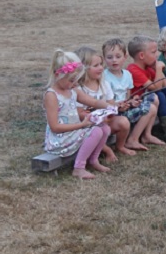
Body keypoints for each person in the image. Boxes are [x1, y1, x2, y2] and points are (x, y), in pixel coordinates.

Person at [42, 49, 115, 180]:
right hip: (60, 140)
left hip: (74, 132)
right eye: (72, 80)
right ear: (58, 75)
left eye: (77, 80)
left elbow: (92, 101)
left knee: (105, 128)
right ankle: (79, 168)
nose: (75, 84)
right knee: (96, 131)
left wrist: (109, 107)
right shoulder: (52, 96)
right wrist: (81, 125)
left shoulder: (73, 89)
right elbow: (55, 127)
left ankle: (93, 160)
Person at [75, 46, 135, 160]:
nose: (101, 68)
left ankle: (120, 146)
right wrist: (99, 118)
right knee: (97, 130)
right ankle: (107, 150)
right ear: (83, 68)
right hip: (86, 125)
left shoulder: (104, 84)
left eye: (101, 64)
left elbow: (111, 105)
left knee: (123, 122)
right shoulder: (78, 89)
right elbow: (80, 114)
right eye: (96, 65)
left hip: (105, 121)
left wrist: (118, 107)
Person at [127, 35, 166, 145]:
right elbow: (156, 88)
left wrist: (158, 70)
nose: (156, 55)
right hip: (136, 102)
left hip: (149, 99)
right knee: (160, 95)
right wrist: (159, 69)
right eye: (153, 52)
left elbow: (164, 85)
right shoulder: (133, 69)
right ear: (141, 55)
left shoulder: (148, 67)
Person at [102, 38, 162, 149]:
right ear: (104, 59)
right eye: (109, 57)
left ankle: (144, 136)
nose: (114, 60)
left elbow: (128, 96)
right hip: (114, 112)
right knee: (150, 107)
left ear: (125, 57)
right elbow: (104, 101)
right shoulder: (104, 77)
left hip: (126, 108)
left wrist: (132, 102)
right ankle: (132, 140)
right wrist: (119, 106)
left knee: (152, 104)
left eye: (118, 57)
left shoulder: (127, 75)